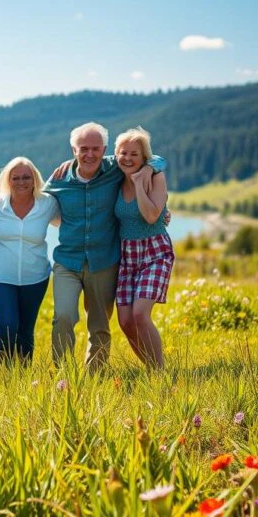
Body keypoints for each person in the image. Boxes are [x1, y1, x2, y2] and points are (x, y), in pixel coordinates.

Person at [44, 122, 166, 372]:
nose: (90, 154)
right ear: (73, 150)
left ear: (104, 149)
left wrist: (151, 169)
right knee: (63, 316)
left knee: (99, 324)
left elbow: (152, 158)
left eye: (95, 148)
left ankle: (96, 375)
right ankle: (63, 376)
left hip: (104, 261)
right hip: (67, 261)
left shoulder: (115, 168)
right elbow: (34, 200)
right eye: (83, 149)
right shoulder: (59, 179)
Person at [0, 157, 59, 366]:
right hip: (0, 277)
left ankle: (24, 375)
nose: (21, 182)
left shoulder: (48, 204)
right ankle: (7, 374)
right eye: (15, 178)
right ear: (7, 180)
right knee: (7, 327)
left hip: (35, 277)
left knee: (26, 330)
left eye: (26, 177)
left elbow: (69, 222)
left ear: (35, 179)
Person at [113, 127, 172, 369]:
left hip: (154, 252)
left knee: (139, 314)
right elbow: (88, 160)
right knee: (125, 321)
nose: (127, 158)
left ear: (144, 157)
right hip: (127, 257)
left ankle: (160, 372)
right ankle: (151, 368)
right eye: (123, 153)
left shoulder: (156, 177)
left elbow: (151, 216)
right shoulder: (114, 176)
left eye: (134, 154)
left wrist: (139, 183)